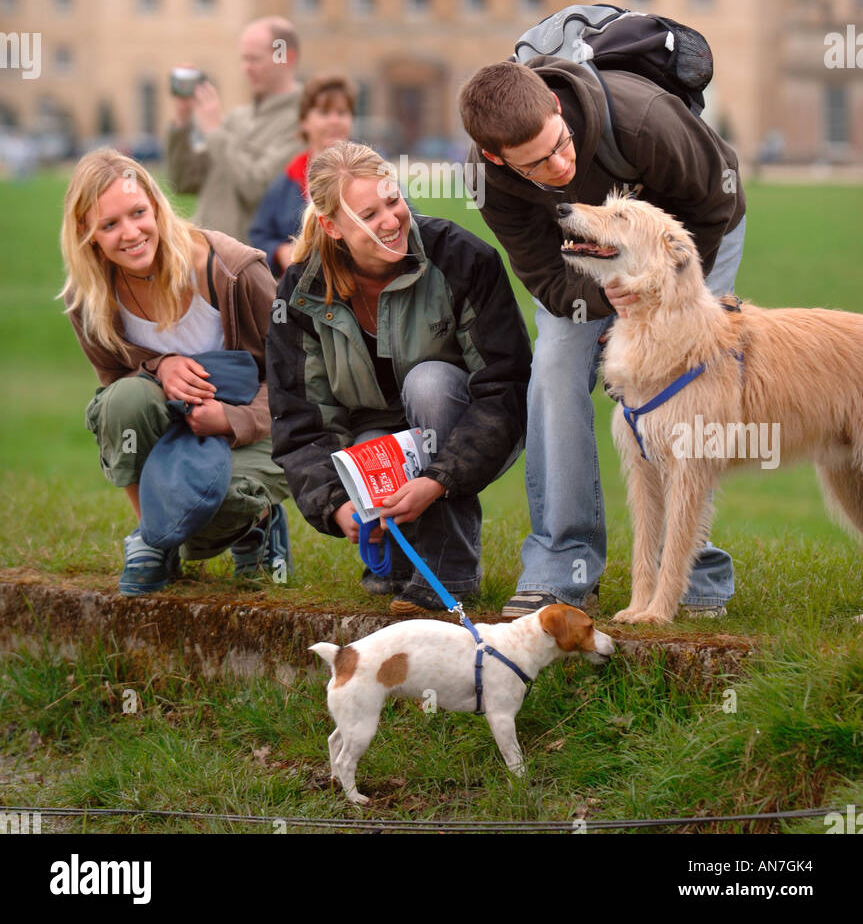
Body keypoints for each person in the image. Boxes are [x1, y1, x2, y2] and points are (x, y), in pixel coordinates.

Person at [458, 57, 746, 620]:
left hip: (688, 239)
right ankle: (560, 565)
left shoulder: (644, 121)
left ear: (558, 109)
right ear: (496, 159)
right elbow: (542, 272)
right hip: (583, 265)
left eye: (560, 143)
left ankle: (689, 572)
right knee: (556, 368)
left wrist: (664, 292)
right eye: (538, 163)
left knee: (683, 389)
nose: (560, 164)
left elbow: (717, 202)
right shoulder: (487, 179)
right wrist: (606, 302)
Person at [266, 140, 532, 614]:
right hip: (375, 439)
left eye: (395, 201)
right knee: (371, 439)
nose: (392, 221)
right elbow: (299, 418)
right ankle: (397, 550)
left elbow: (505, 387)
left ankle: (449, 571)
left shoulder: (463, 258)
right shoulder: (300, 291)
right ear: (331, 226)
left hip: (468, 427)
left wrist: (438, 479)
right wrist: (335, 504)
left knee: (428, 383)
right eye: (369, 215)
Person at [60, 148, 293, 595]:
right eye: (109, 225)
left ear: (156, 205)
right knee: (125, 401)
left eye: (137, 213)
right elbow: (118, 397)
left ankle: (257, 524)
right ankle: (151, 536)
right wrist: (160, 366)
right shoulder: (88, 301)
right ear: (87, 233)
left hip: (258, 424)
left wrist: (233, 420)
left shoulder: (234, 270)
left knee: (209, 515)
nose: (130, 234)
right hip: (174, 428)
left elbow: (298, 378)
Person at [166, 16, 303, 242]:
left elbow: (259, 190)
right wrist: (183, 120)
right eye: (243, 59)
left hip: (243, 266)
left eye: (254, 59)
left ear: (286, 57)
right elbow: (183, 181)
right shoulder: (237, 119)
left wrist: (214, 131)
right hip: (200, 256)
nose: (245, 69)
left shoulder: (303, 122)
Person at [250, 74, 356, 275]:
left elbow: (406, 220)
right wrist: (279, 252)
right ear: (304, 121)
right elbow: (260, 234)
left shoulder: (375, 171)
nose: (335, 120)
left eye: (342, 112)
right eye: (324, 112)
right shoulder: (287, 179)